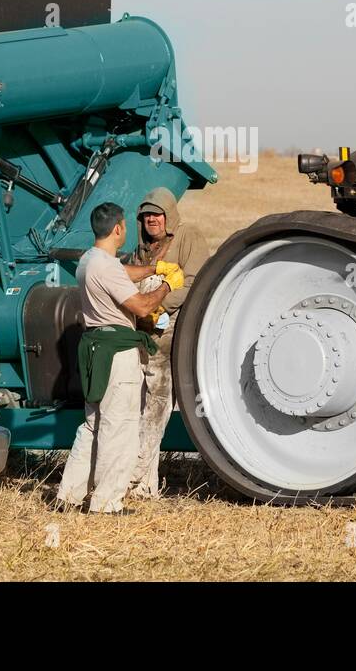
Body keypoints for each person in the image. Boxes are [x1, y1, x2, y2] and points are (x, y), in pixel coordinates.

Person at [56, 201, 183, 513]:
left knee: (93, 423)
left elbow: (123, 271)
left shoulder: (90, 259)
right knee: (120, 425)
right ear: (117, 229)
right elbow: (140, 306)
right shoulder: (107, 266)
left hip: (94, 350)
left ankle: (69, 495)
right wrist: (167, 285)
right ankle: (107, 502)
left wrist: (154, 268)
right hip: (117, 353)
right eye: (125, 225)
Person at [126, 187, 207, 498]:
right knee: (134, 403)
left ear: (170, 215)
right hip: (140, 332)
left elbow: (194, 280)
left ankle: (142, 481)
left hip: (171, 331)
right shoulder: (141, 251)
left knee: (157, 405)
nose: (151, 219)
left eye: (157, 213)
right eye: (146, 214)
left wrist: (161, 305)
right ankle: (136, 476)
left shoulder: (188, 237)